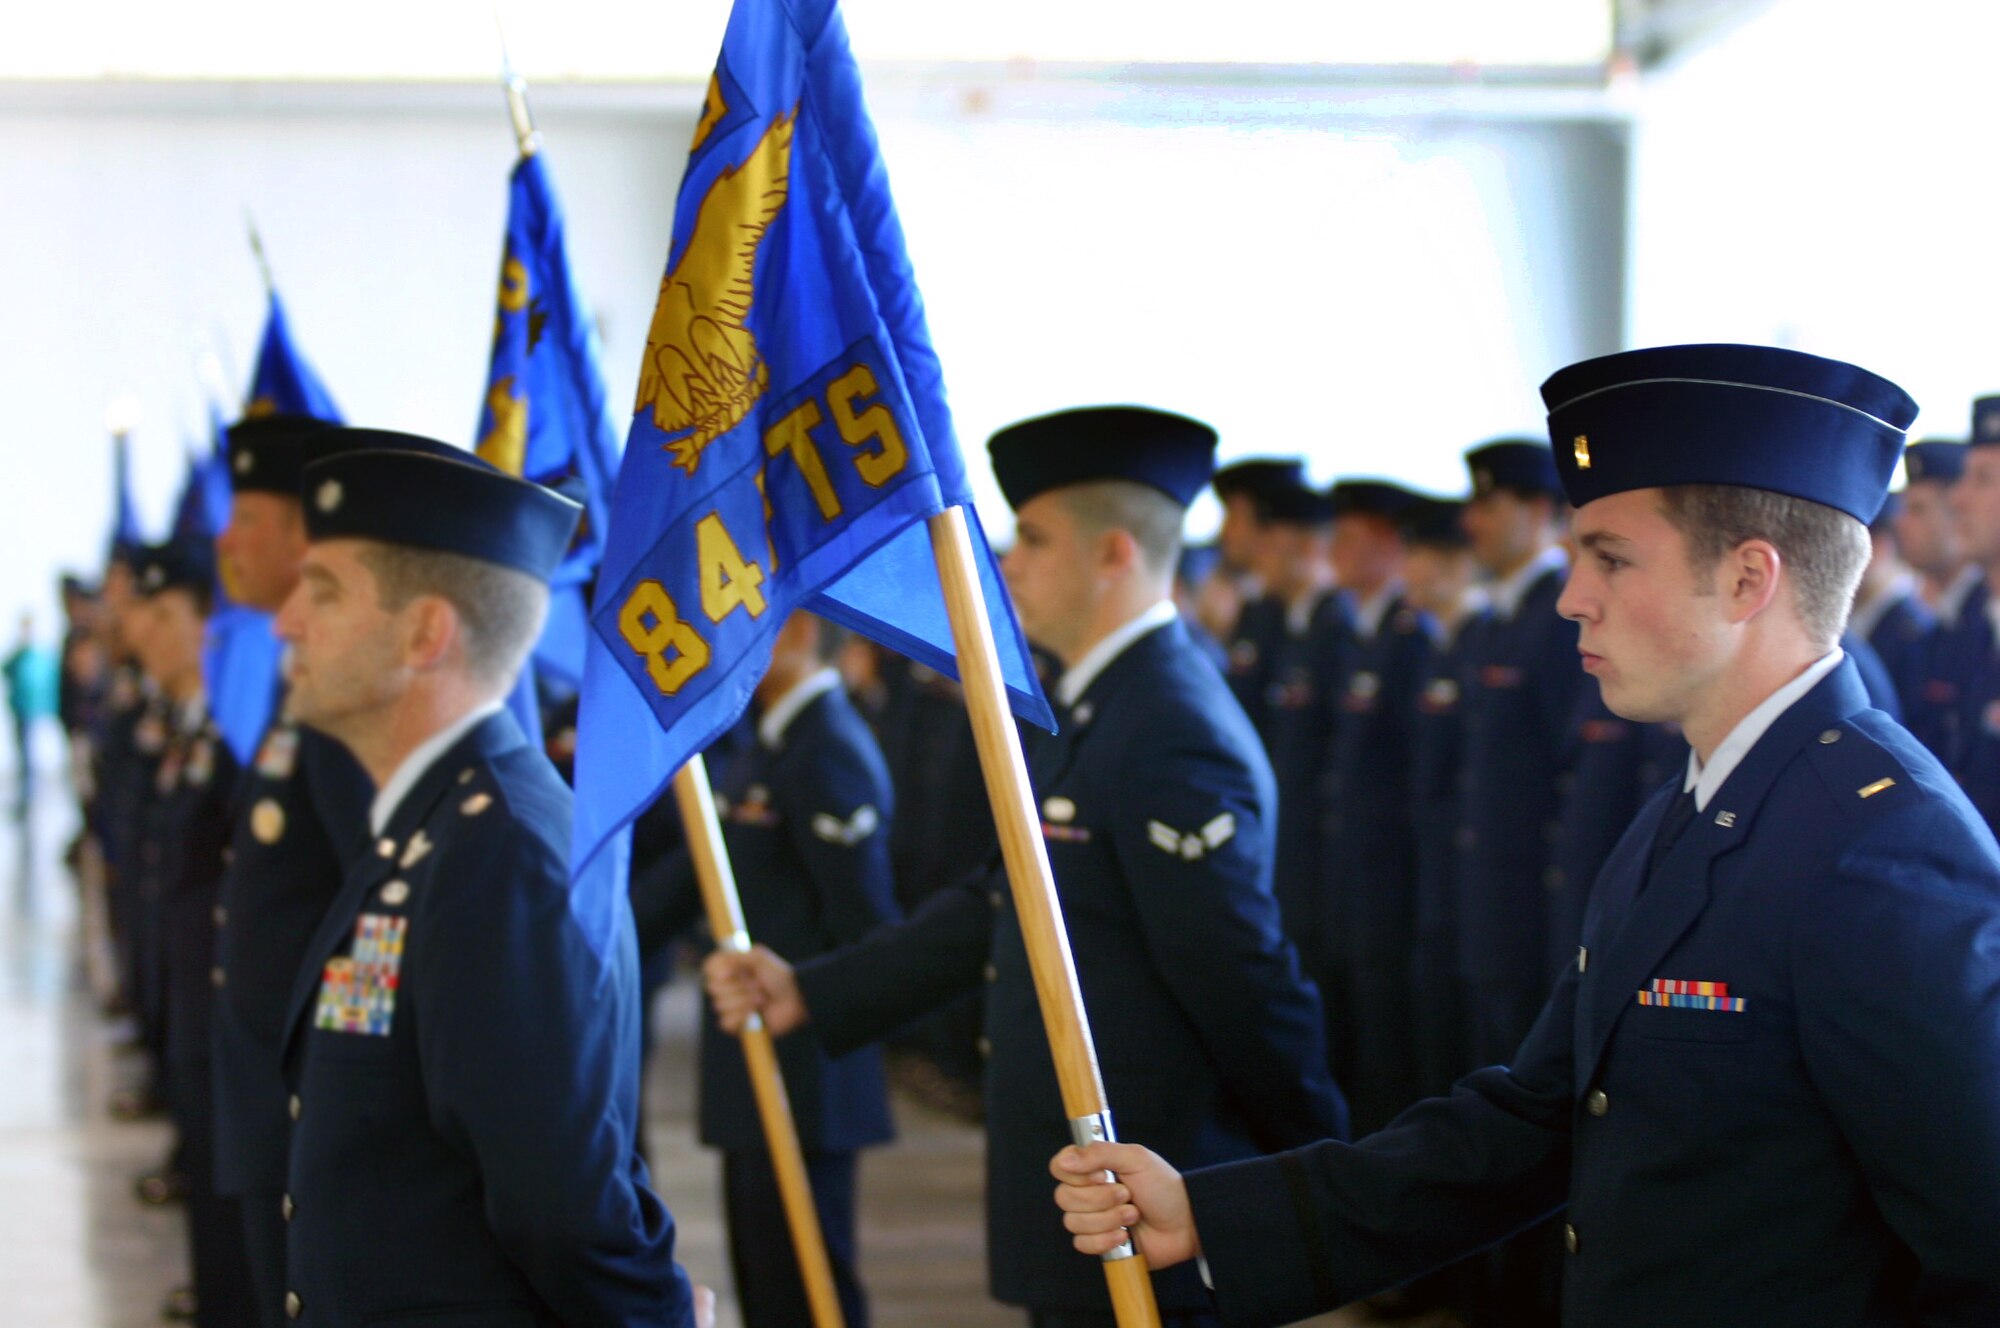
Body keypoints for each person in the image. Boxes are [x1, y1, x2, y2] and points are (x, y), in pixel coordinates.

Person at [1050, 343, 2000, 1327]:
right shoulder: (1695, 802)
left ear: (1746, 578)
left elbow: (1979, 1239)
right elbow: (1538, 1118)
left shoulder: (1877, 846)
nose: (1568, 596)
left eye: (1610, 557)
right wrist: (1214, 1210)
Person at [707, 406, 1346, 1327]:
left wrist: (1313, 1176)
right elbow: (1006, 904)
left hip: (1149, 1178)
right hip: (1086, 1180)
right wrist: (815, 990)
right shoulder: (1093, 707)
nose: (1006, 566)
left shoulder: (1170, 729)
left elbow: (1239, 973)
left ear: (1113, 554)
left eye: (1033, 540)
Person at [272, 436, 707, 1327]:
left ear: (426, 632)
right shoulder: (432, 829)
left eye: (321, 591)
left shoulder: (500, 853)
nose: (285, 621)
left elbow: (562, 1201)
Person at [631, 610, 899, 1328]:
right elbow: (697, 876)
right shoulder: (774, 741)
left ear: (804, 630)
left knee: (808, 1287)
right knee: (766, 1279)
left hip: (807, 1074)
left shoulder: (828, 749)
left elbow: (865, 928)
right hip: (755, 1061)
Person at [206, 413, 380, 1328]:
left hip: (306, 1089)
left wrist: (334, 1086)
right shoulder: (291, 681)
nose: (226, 540)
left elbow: (376, 902)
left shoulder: (332, 701)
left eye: (248, 520)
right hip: (272, 1083)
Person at [127, 537, 258, 1327]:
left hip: (224, 998)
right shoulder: (191, 726)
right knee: (208, 1180)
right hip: (189, 982)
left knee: (229, 1182)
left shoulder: (233, 734)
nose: (144, 628)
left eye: (164, 612)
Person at [1315, 479, 1428, 1134]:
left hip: (1391, 877)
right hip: (1350, 871)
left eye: (1354, 540)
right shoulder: (1358, 629)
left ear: (1390, 549)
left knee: (1388, 1042)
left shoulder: (1407, 635)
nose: (1337, 552)